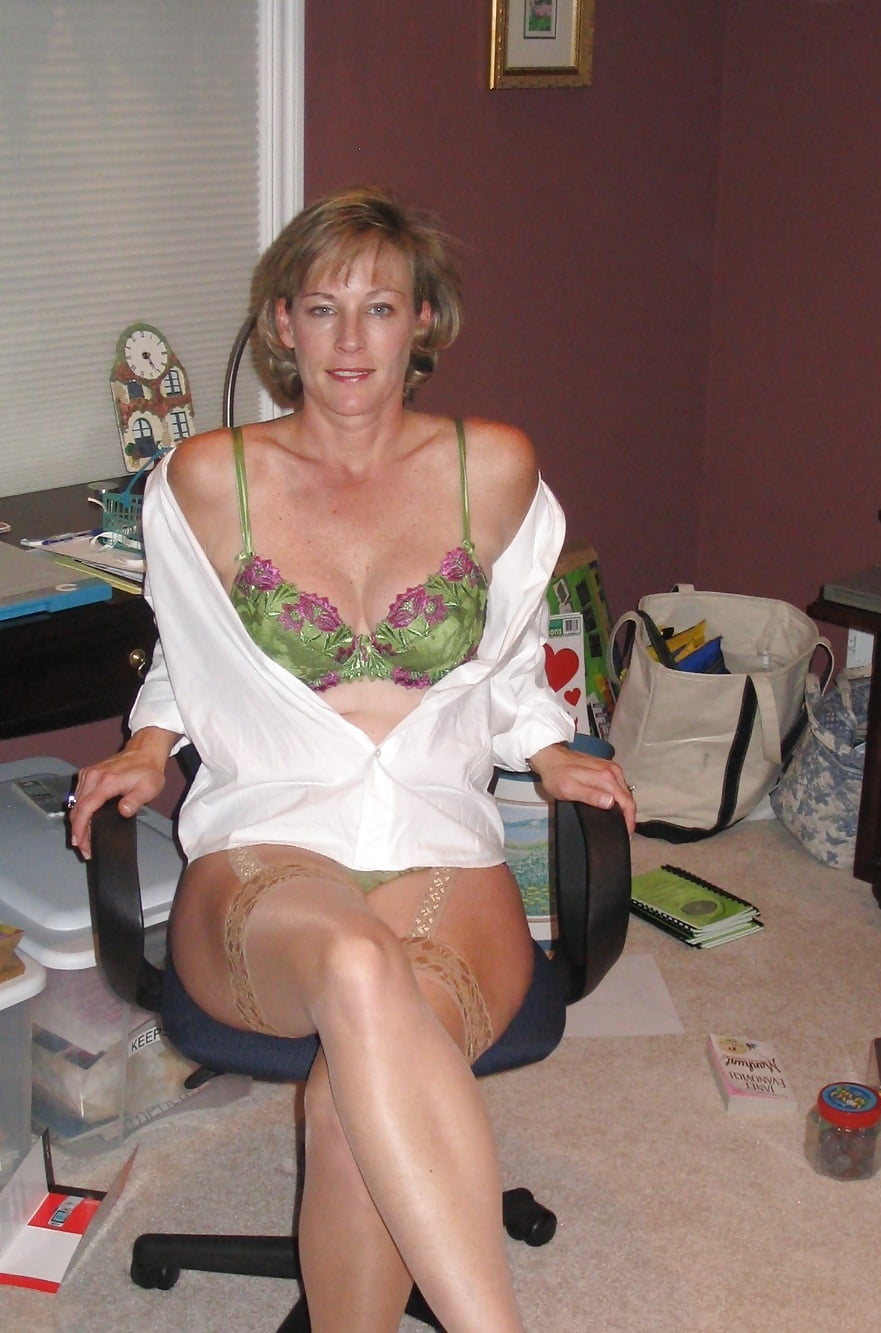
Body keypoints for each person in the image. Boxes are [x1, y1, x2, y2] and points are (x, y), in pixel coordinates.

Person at [68, 185, 635, 1333]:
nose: (349, 340)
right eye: (321, 308)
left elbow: (513, 655)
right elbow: (191, 651)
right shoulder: (206, 479)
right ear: (281, 322)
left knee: (346, 1106)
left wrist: (550, 748)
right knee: (358, 967)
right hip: (268, 846)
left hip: (440, 851)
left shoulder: (493, 466)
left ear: (424, 319)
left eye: (379, 307)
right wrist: (147, 743)